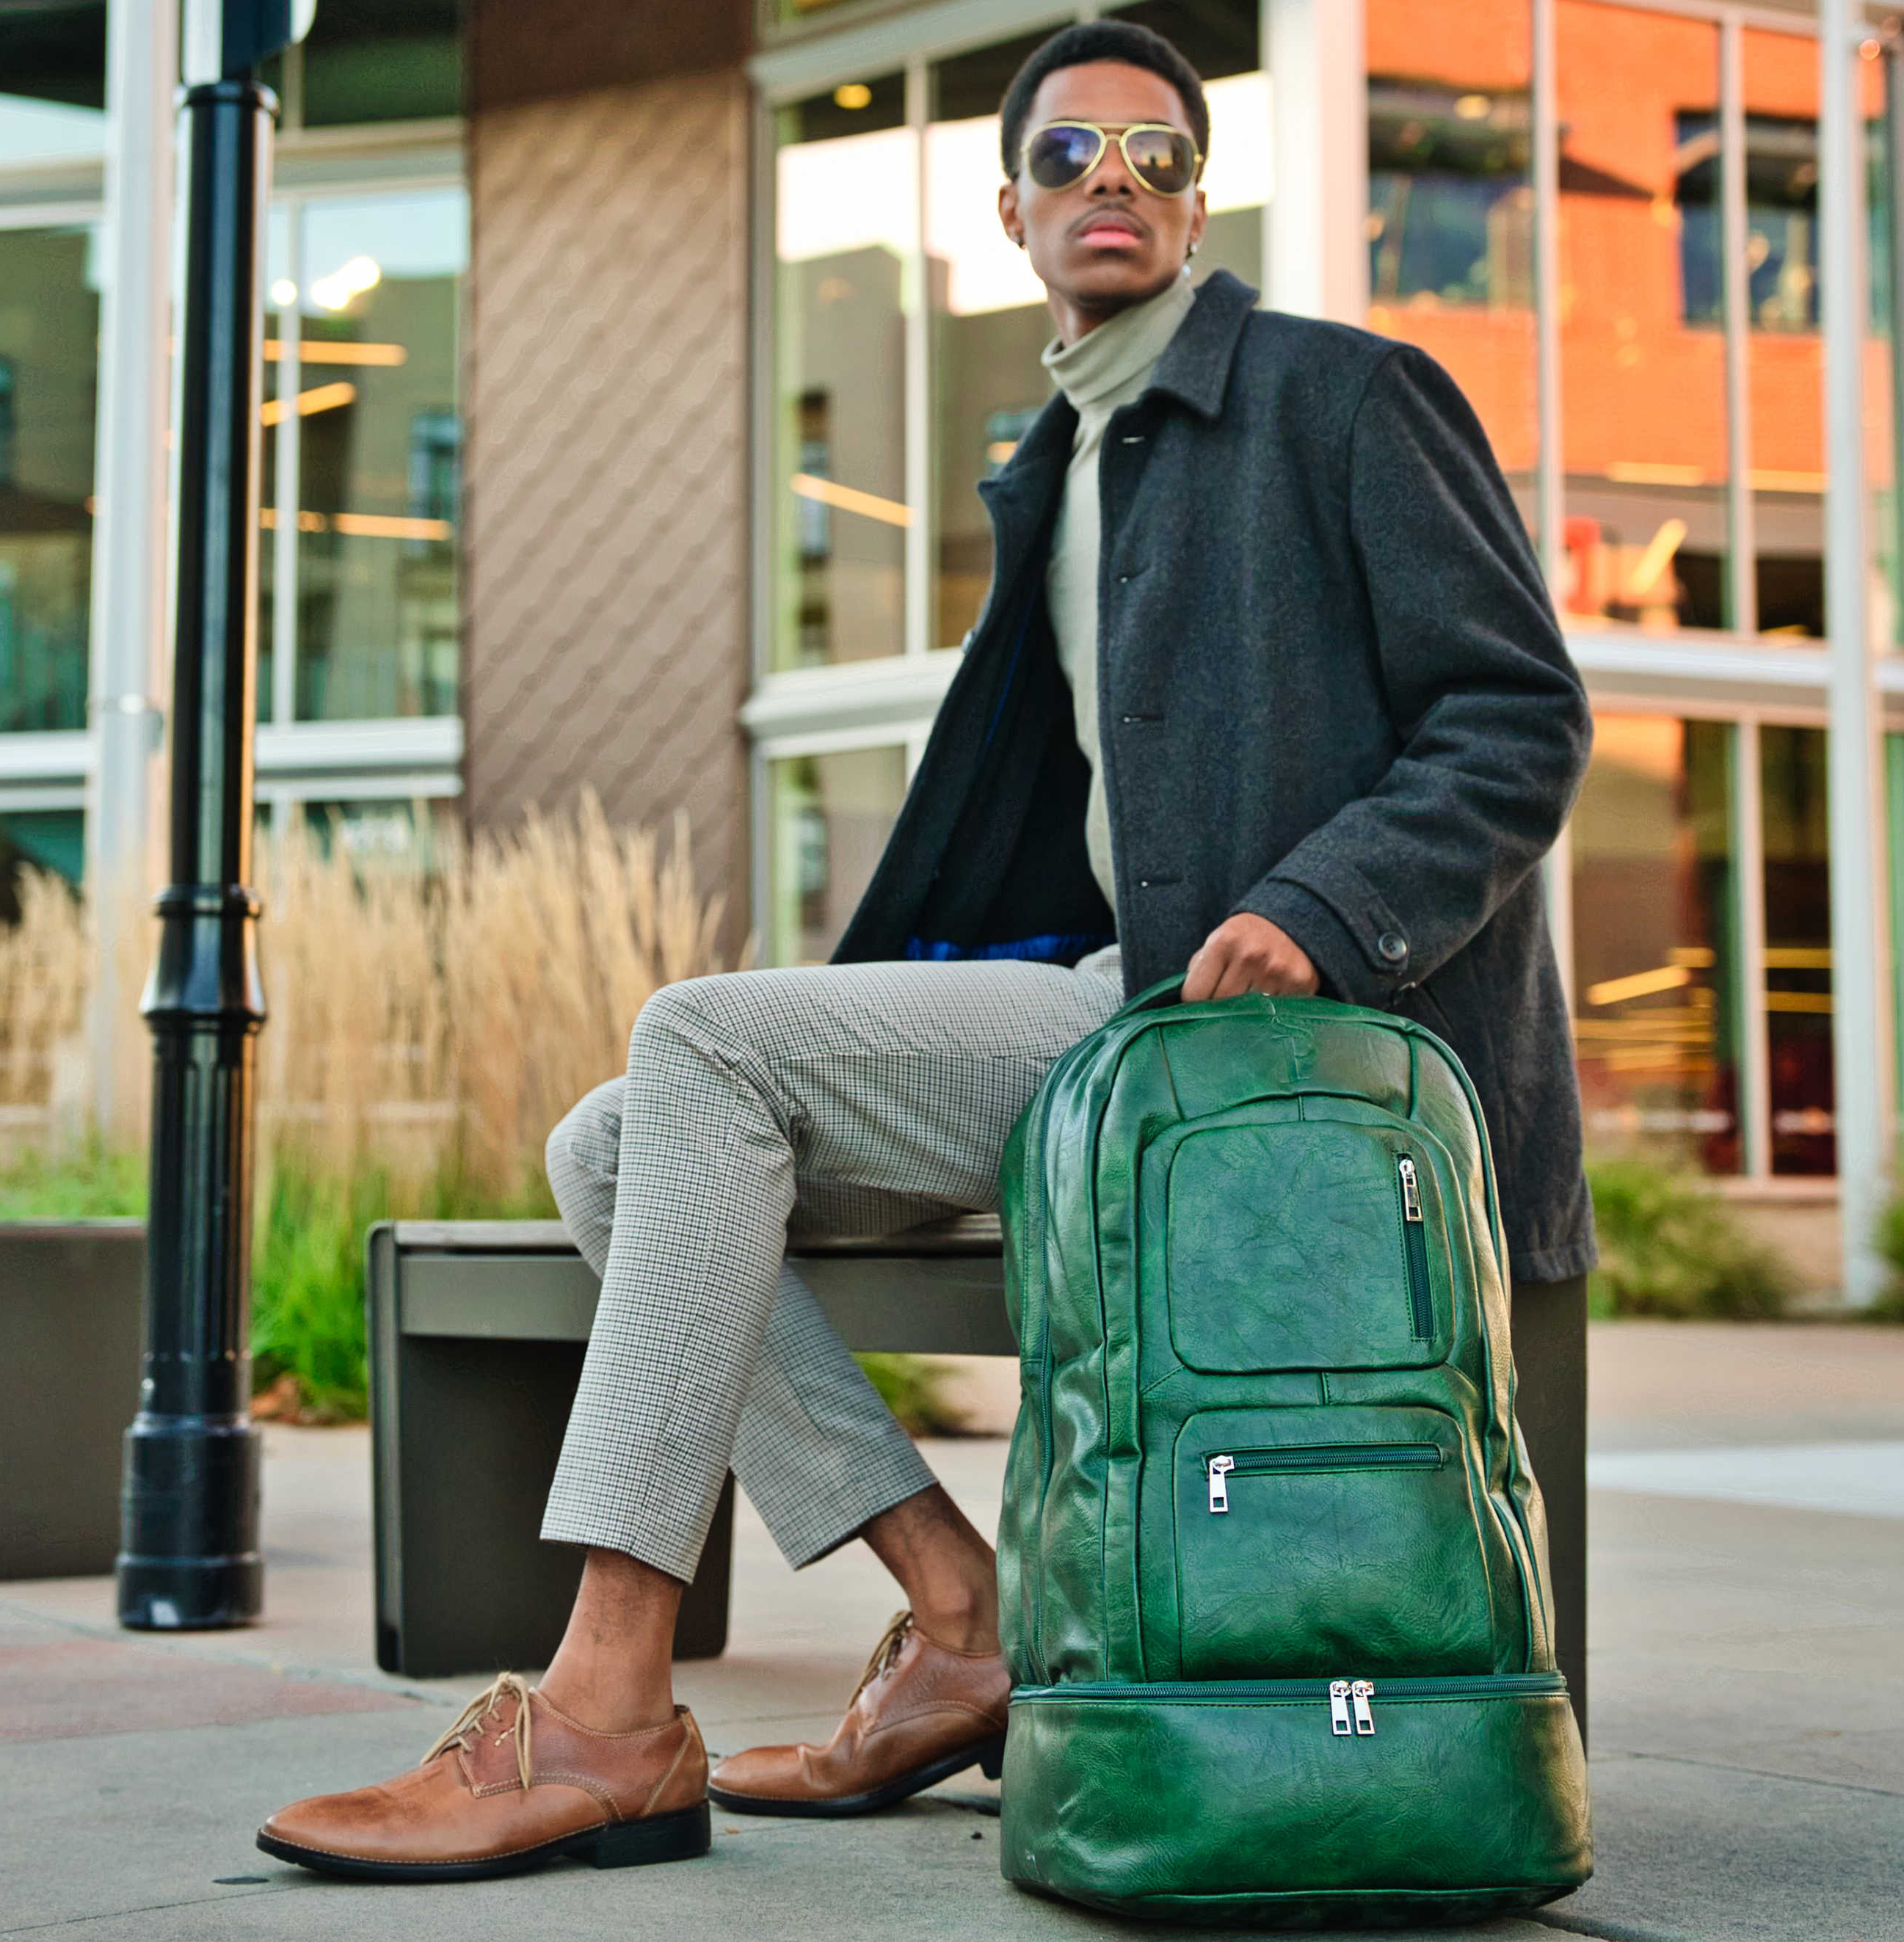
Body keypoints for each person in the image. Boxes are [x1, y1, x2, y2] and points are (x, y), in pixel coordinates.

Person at [257, 19, 1594, 1883]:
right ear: (1010, 212)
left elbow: (1519, 717)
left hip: (1302, 1069)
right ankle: (962, 1608)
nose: (1112, 179)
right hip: (1126, 1030)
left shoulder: (1345, 398)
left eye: (1156, 154)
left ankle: (604, 1707)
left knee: (695, 1038)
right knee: (614, 1141)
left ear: (1200, 205)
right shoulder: (1062, 461)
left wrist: (1319, 906)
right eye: (1068, 155)